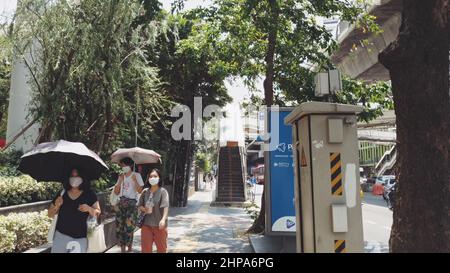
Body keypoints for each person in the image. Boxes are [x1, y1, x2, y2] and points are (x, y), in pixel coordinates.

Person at [48, 168, 101, 253]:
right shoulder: (62, 194)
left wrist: (89, 208)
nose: (74, 178)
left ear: (83, 178)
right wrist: (56, 206)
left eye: (77, 176)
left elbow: (98, 212)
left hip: (81, 238)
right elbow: (50, 214)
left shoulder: (90, 194)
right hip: (61, 236)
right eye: (72, 176)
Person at [114, 157, 144, 253]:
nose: (123, 167)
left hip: (132, 203)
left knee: (129, 226)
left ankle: (129, 248)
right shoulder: (121, 176)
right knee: (120, 226)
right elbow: (116, 192)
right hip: (121, 203)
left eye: (124, 165)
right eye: (121, 165)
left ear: (130, 165)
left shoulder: (136, 175)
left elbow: (140, 191)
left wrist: (135, 181)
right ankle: (123, 249)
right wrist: (119, 181)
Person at [138, 169, 169, 253]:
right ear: (148, 179)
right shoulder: (145, 192)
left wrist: (163, 220)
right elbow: (139, 205)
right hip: (146, 225)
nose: (152, 178)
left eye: (155, 176)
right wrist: (144, 209)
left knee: (161, 249)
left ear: (159, 178)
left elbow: (165, 206)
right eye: (151, 176)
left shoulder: (163, 192)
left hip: (159, 226)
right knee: (146, 249)